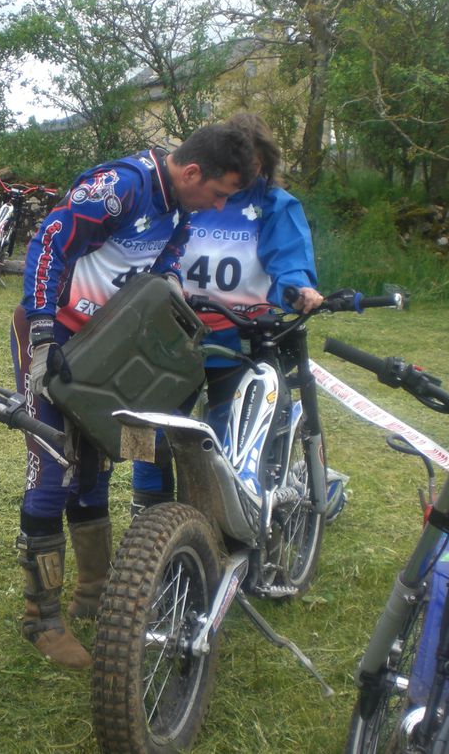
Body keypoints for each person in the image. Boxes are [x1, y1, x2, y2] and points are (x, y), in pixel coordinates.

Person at [10, 125, 256, 668]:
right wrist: (46, 335)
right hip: (54, 337)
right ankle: (41, 618)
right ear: (192, 173)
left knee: (97, 465)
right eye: (218, 193)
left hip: (108, 347)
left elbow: (161, 263)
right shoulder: (120, 187)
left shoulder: (184, 208)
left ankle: (93, 594)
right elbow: (49, 241)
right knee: (54, 472)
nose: (220, 205)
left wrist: (164, 294)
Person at [130, 111, 323, 512]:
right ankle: (147, 514)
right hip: (173, 335)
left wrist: (298, 289)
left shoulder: (275, 205)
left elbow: (288, 261)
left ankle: (215, 520)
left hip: (238, 341)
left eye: (250, 169)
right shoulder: (192, 191)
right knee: (148, 433)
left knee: (221, 440)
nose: (239, 178)